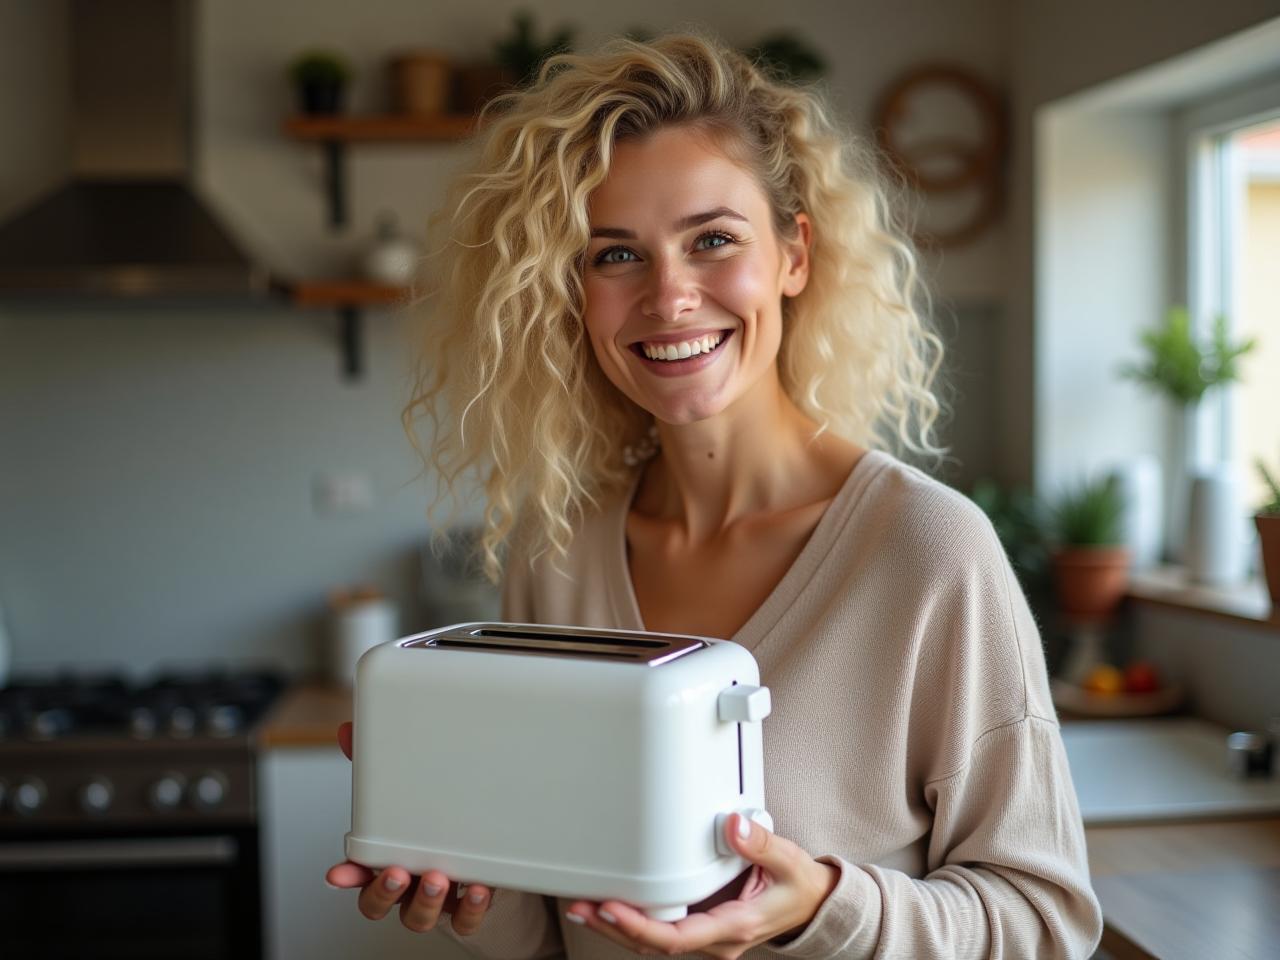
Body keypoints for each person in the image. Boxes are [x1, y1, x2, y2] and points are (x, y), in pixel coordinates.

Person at [325, 31, 1104, 959]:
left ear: (794, 255)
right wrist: (463, 877)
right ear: (573, 292)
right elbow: (551, 935)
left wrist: (823, 907)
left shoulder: (930, 551)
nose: (669, 296)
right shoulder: (557, 548)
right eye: (615, 255)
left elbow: (1046, 923)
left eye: (713, 241)